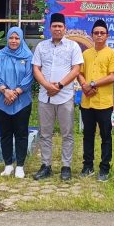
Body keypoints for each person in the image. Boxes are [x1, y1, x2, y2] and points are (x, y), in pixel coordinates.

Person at [32, 12, 83, 181]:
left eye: (60, 26)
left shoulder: (73, 46)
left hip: (65, 96)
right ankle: (45, 165)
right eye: (54, 26)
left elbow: (76, 69)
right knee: (45, 133)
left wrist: (59, 86)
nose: (57, 29)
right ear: (50, 28)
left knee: (67, 133)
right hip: (45, 96)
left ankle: (66, 167)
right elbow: (36, 69)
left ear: (65, 28)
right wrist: (48, 86)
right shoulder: (41, 46)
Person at [77, 19, 114, 182]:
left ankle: (104, 168)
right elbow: (79, 73)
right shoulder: (86, 54)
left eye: (102, 33)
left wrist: (93, 84)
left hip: (104, 103)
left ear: (107, 35)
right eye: (96, 33)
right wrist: (84, 86)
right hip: (87, 102)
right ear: (92, 35)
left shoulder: (113, 54)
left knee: (105, 136)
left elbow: (113, 76)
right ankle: (87, 166)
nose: (99, 35)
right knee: (87, 135)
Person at [0, 27, 34, 178]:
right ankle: (8, 165)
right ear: (7, 39)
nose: (14, 41)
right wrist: (5, 91)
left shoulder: (28, 56)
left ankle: (20, 166)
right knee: (5, 134)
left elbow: (30, 76)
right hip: (1, 101)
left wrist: (15, 92)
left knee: (21, 134)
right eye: (11, 38)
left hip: (22, 101)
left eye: (17, 38)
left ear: (21, 39)